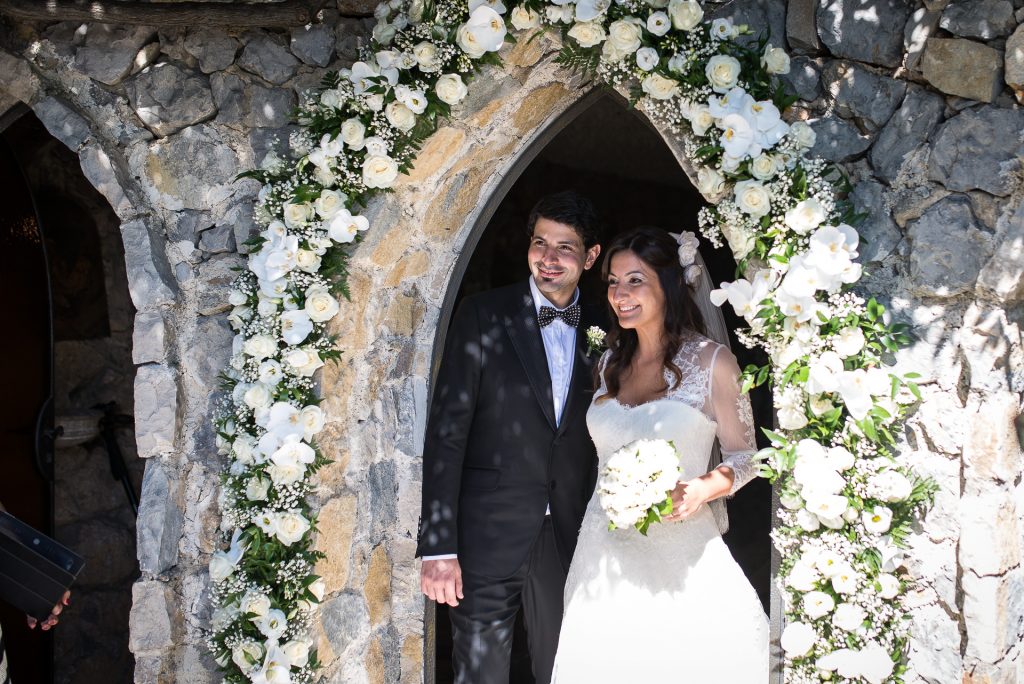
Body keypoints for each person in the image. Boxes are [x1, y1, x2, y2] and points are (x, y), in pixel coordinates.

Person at [550, 227, 768, 682]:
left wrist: (706, 486)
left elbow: (748, 455)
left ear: (667, 285)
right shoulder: (610, 363)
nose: (620, 294)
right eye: (612, 281)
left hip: (681, 550)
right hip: (602, 553)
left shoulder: (713, 363)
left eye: (635, 280)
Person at [417, 191, 604, 684]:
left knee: (567, 671)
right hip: (484, 536)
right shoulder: (483, 315)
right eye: (540, 243)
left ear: (590, 256)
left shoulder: (609, 327)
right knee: (479, 674)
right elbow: (447, 432)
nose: (549, 258)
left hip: (569, 534)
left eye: (565, 247)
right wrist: (439, 546)